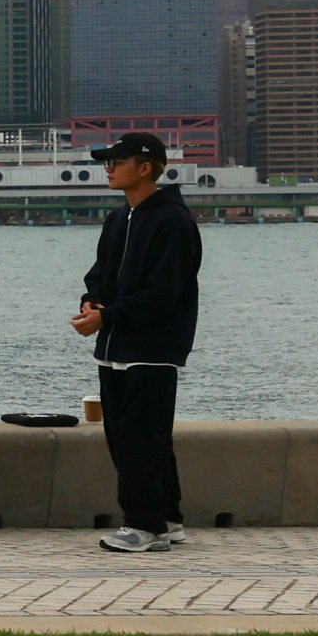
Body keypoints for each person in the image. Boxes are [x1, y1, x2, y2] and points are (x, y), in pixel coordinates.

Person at [74, 130, 202, 554]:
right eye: (107, 163)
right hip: (114, 348)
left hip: (153, 349)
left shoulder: (174, 221)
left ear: (145, 168)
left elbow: (164, 292)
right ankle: (168, 516)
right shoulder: (118, 219)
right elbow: (100, 275)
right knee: (138, 437)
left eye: (117, 162)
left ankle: (144, 526)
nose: (108, 169)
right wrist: (92, 302)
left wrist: (108, 316)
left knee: (140, 440)